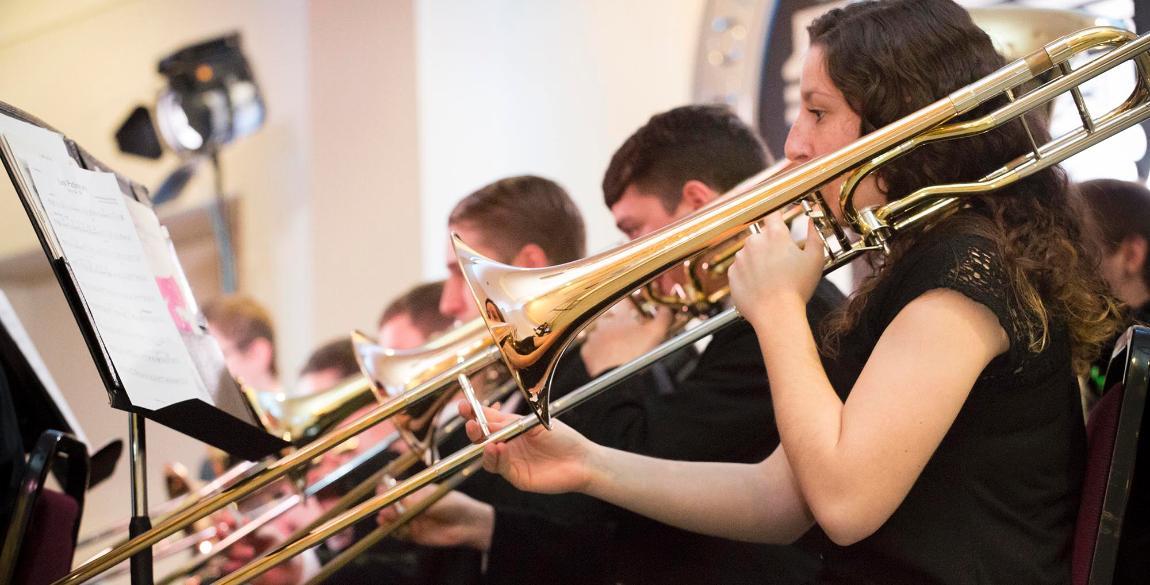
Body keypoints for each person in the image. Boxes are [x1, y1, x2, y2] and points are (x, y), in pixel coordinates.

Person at [460, 2, 1121, 584]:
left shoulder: (969, 271)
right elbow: (778, 499)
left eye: (816, 111)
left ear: (893, 118)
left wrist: (777, 310)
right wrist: (588, 464)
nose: (792, 144)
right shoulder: (924, 262)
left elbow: (844, 502)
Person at [387, 107, 846, 584]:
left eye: (632, 229)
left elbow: (644, 476)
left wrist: (604, 368)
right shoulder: (719, 317)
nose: (627, 252)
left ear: (694, 202)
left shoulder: (792, 315)